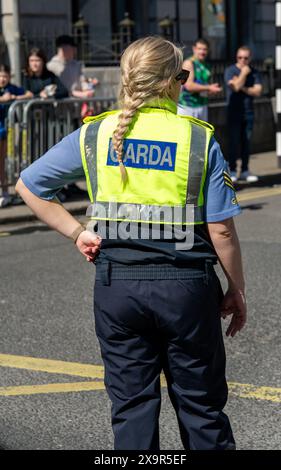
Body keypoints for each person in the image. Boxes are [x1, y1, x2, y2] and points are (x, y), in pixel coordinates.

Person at [15, 36, 246, 451]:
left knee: (132, 409)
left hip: (117, 287)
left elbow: (28, 185)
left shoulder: (96, 133)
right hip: (186, 290)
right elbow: (222, 232)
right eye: (183, 75)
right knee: (202, 408)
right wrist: (237, 290)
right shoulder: (196, 139)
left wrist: (77, 232)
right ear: (173, 82)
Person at [224, 46, 262, 182]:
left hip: (248, 112)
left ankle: (245, 170)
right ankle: (232, 170)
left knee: (246, 142)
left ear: (250, 58)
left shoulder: (255, 72)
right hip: (234, 112)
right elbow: (234, 87)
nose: (243, 60)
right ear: (236, 57)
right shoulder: (230, 70)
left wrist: (241, 85)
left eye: (245, 58)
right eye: (240, 57)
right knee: (233, 142)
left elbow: (258, 91)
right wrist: (244, 74)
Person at [178, 38, 222, 121]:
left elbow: (204, 87)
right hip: (187, 106)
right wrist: (209, 87)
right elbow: (188, 86)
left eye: (205, 49)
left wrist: (212, 91)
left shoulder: (207, 66)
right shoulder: (188, 63)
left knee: (202, 134)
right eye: (199, 49)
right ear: (194, 49)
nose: (202, 52)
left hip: (202, 105)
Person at [0, 64, 25, 207]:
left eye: (5, 76)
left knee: (3, 163)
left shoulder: (11, 88)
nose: (2, 79)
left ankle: (5, 192)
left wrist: (14, 96)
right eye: (0, 76)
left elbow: (28, 94)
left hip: (4, 130)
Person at [47, 35, 99, 99]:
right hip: (61, 101)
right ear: (63, 48)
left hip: (78, 102)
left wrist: (87, 89)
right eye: (72, 48)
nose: (75, 51)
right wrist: (74, 93)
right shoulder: (51, 66)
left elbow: (82, 80)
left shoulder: (77, 65)